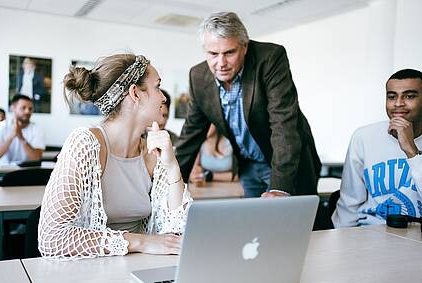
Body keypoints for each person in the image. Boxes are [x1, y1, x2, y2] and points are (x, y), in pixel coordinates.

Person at [38, 54, 193, 259]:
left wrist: (172, 166)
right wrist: (140, 241)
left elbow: (179, 230)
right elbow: (52, 238)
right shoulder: (84, 144)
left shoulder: (153, 152)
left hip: (137, 269)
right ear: (135, 93)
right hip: (85, 274)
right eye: (157, 87)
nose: (163, 97)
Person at [175, 12, 321, 197]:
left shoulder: (270, 58)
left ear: (244, 46)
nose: (221, 63)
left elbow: (283, 124)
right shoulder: (198, 76)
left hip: (284, 163)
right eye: (213, 54)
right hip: (247, 165)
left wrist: (279, 188)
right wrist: (170, 186)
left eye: (229, 52)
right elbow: (190, 136)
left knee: (289, 222)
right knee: (253, 223)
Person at [332, 69, 422, 227]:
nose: (398, 103)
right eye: (391, 96)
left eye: (409, 96)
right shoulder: (363, 137)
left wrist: (411, 150)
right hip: (371, 234)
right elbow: (349, 203)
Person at [0, 94, 45, 165]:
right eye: (23, 108)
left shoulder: (38, 129)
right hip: (0, 174)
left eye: (30, 109)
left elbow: (36, 158)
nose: (27, 111)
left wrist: (21, 137)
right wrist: (12, 136)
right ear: (13, 109)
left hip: (26, 174)